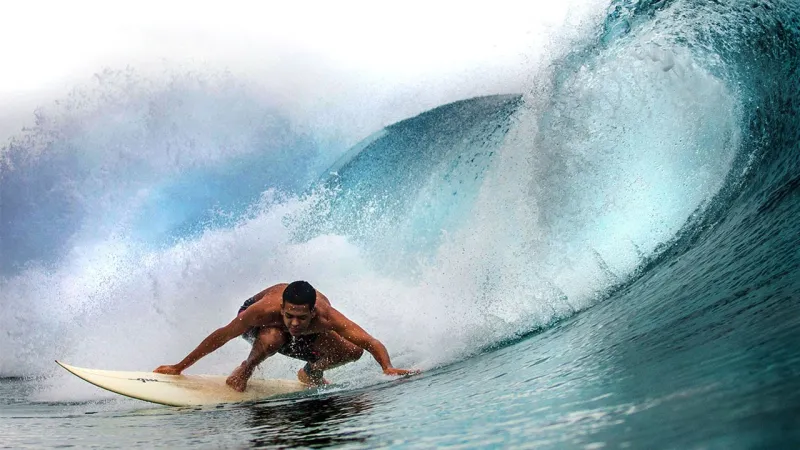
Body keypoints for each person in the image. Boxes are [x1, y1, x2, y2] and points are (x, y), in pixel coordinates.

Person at [154, 281, 418, 391]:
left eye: (301, 318)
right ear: (282, 308)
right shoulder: (262, 311)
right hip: (263, 329)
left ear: (313, 312)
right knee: (273, 338)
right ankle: (246, 369)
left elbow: (369, 342)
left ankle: (310, 373)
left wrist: (387, 367)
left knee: (352, 351)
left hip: (307, 333)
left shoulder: (327, 318)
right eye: (289, 315)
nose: (294, 323)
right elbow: (221, 336)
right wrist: (180, 367)